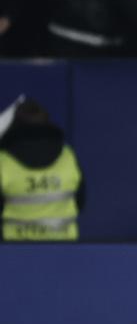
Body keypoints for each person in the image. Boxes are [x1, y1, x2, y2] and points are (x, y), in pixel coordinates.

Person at [0, 97, 84, 241]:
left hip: (14, 250)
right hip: (66, 248)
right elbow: (80, 200)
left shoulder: (4, 161)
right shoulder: (68, 156)